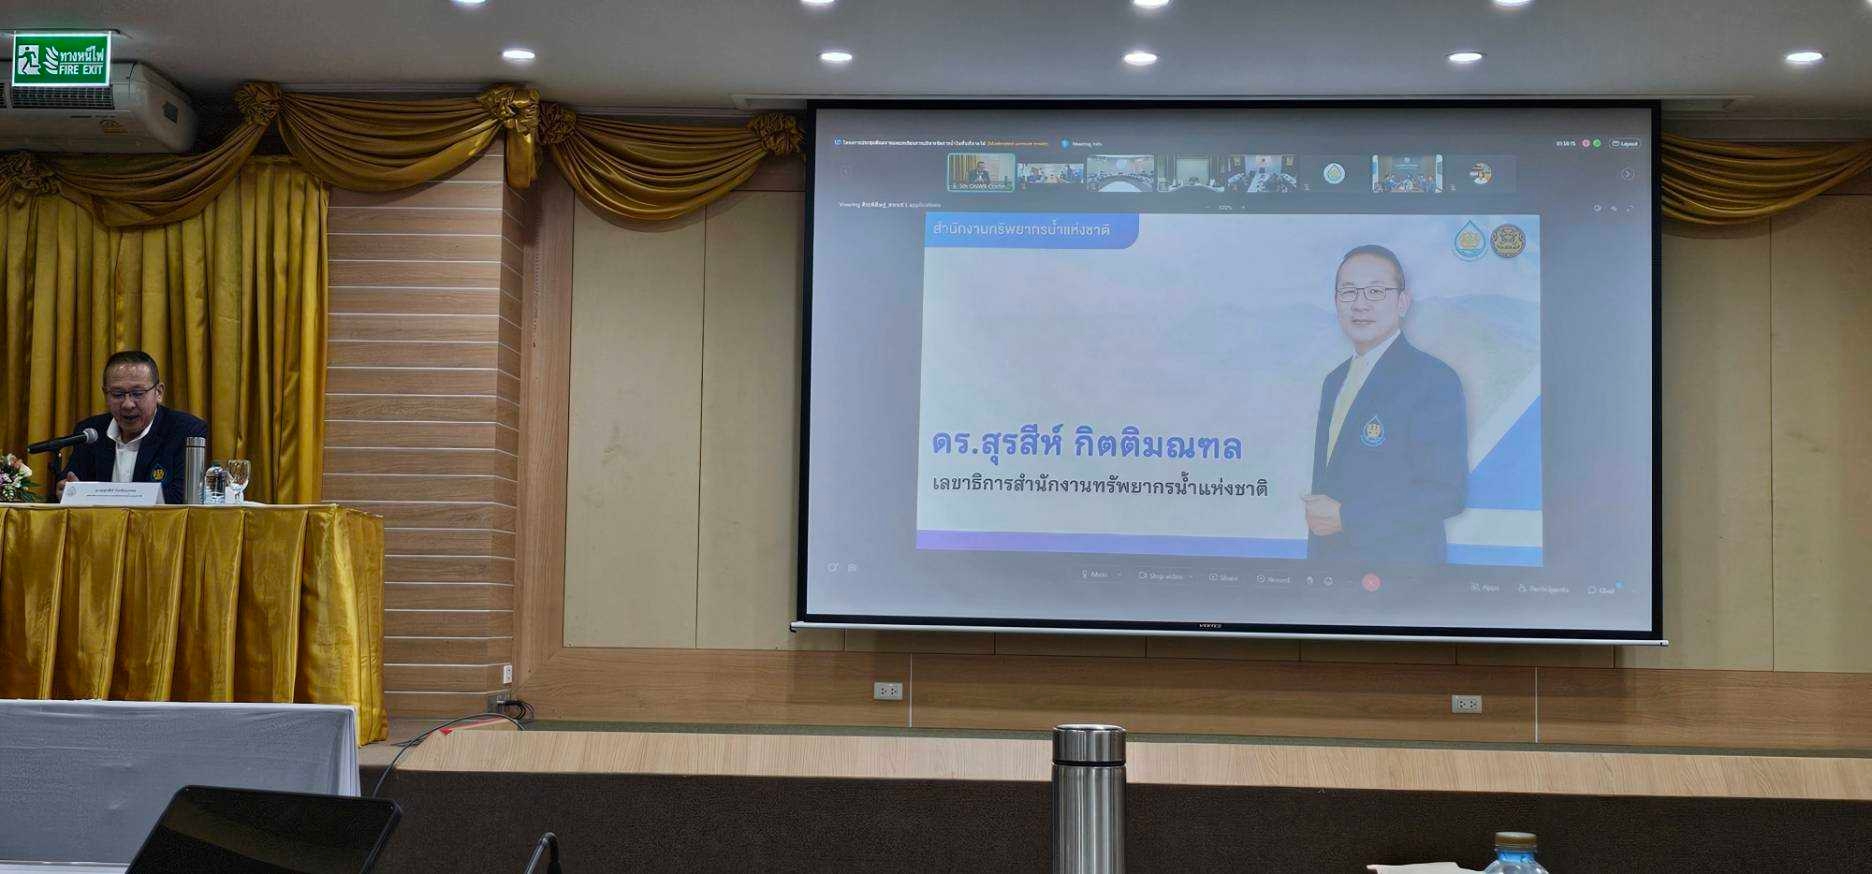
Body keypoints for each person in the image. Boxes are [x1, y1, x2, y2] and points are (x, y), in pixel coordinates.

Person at [1303, 245, 1466, 565]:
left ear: (1402, 302)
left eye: (1376, 292)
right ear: (1336, 302)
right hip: (1331, 574)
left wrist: (1348, 517)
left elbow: (1447, 494)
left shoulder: (1434, 379)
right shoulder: (1334, 380)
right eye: (1348, 292)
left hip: (1403, 577)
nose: (1360, 304)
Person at [53, 350, 210, 505]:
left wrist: (99, 496)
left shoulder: (186, 431)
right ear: (105, 395)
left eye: (138, 393)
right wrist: (66, 490)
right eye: (118, 394)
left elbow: (184, 496)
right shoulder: (90, 433)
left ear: (159, 392)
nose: (128, 404)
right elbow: (72, 484)